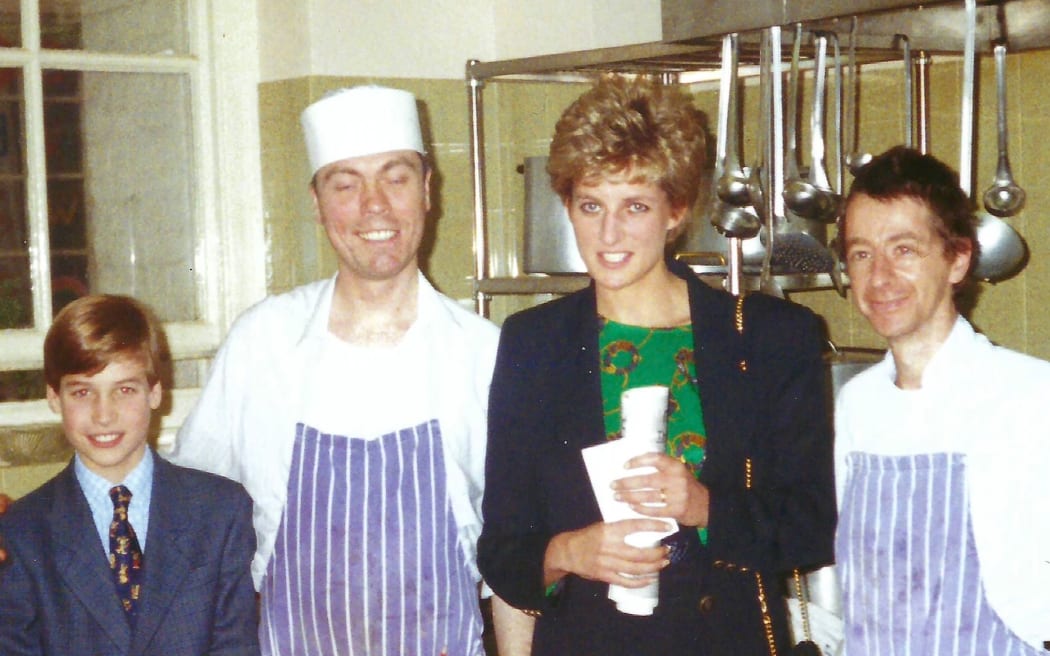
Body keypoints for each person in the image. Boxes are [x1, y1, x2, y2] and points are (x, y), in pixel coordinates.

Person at [477, 74, 836, 655]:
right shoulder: (533, 344)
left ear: (677, 210)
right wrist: (570, 553)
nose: (609, 233)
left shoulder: (769, 337)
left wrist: (703, 506)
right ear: (567, 204)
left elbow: (813, 527)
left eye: (635, 206)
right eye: (591, 205)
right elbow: (503, 551)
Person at [168, 85, 511, 656]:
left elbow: (520, 543)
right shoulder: (263, 341)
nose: (374, 206)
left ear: (428, 190)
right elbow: (185, 507)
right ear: (317, 202)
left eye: (395, 177)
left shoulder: (484, 353)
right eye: (346, 184)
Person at [834, 145, 1050, 654]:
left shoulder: (1028, 395)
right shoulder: (857, 404)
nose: (879, 277)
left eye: (904, 249)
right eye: (861, 253)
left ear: (957, 259)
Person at [0, 294, 259, 656]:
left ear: (155, 392)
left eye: (124, 389)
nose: (103, 415)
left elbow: (236, 646)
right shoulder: (23, 531)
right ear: (54, 398)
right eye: (82, 392)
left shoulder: (221, 512)